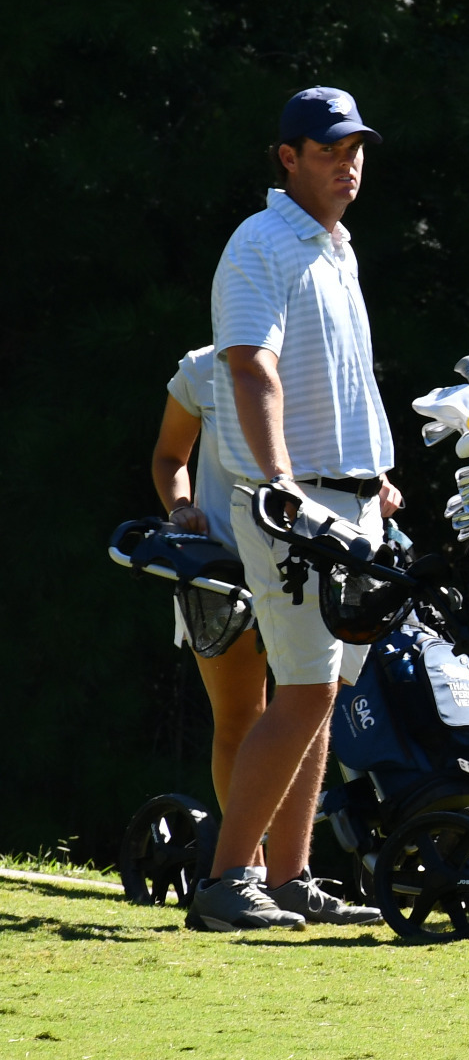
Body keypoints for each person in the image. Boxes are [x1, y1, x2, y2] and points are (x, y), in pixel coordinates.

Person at [192, 85, 395, 932]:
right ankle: (226, 884)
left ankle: (289, 877)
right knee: (305, 690)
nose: (348, 164)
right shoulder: (261, 243)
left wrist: (376, 471)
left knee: (320, 693)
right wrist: (280, 482)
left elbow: (343, 377)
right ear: (288, 157)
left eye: (355, 149)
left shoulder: (336, 248)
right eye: (328, 150)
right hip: (293, 500)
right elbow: (249, 366)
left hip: (349, 495)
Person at [152, 346, 268, 817]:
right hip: (222, 573)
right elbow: (168, 457)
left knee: (310, 718)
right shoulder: (203, 368)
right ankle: (246, 867)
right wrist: (180, 507)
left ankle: (291, 868)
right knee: (240, 721)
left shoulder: (323, 361)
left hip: (309, 566)